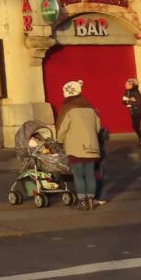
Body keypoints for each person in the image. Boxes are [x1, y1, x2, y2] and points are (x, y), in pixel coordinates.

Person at [56, 80, 102, 211]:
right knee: (90, 174)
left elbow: (62, 128)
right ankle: (91, 199)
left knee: (78, 174)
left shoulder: (67, 108)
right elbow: (97, 127)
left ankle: (82, 201)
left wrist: (59, 140)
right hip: (92, 146)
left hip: (76, 147)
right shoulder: (90, 108)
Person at [121, 78, 141, 146]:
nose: (125, 84)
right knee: (136, 126)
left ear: (131, 85)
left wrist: (129, 101)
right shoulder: (127, 92)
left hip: (139, 111)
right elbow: (123, 102)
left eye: (126, 83)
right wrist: (128, 100)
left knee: (135, 126)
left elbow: (138, 102)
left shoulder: (135, 92)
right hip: (132, 111)